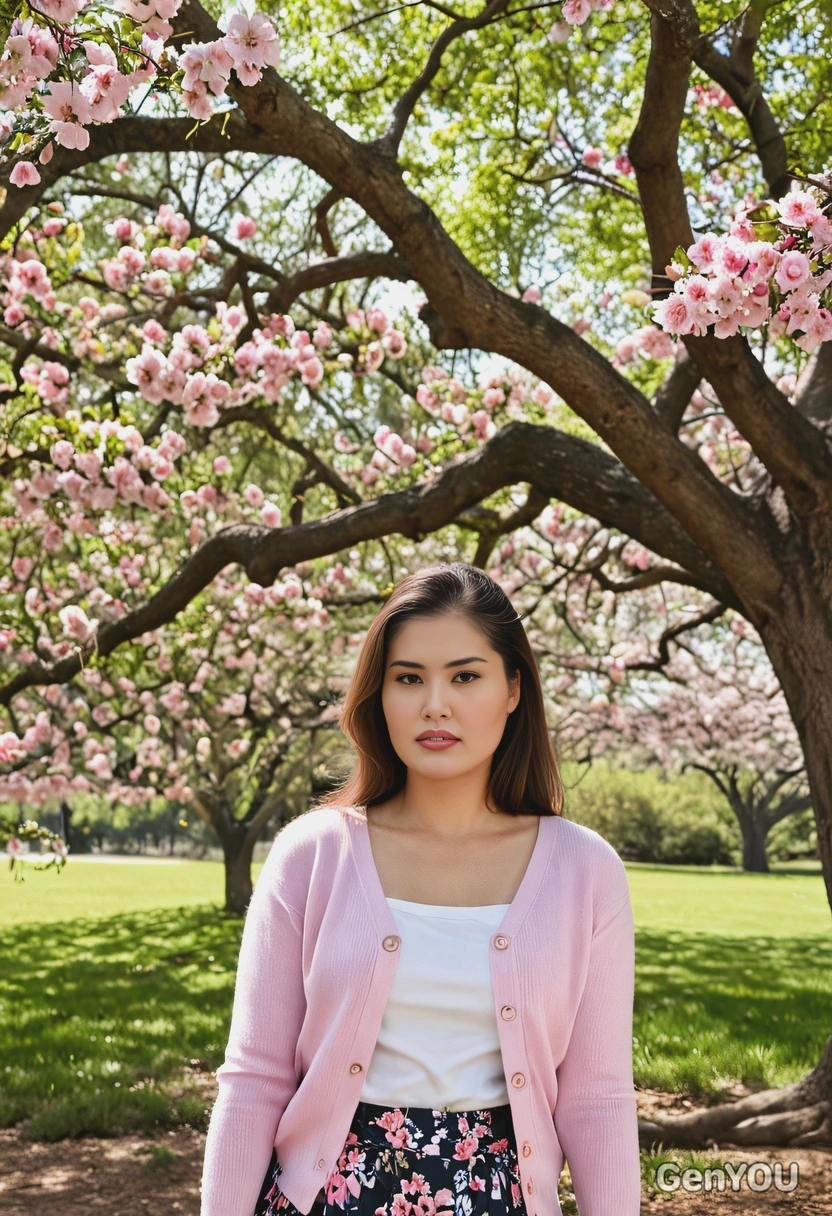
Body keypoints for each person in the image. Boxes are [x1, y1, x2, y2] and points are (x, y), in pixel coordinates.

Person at [200, 562, 640, 1216]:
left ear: (513, 689)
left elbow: (597, 1098)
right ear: (379, 695)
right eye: (409, 679)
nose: (436, 704)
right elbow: (255, 1080)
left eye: (465, 676)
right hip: (323, 1198)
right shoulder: (311, 855)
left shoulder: (585, 869)